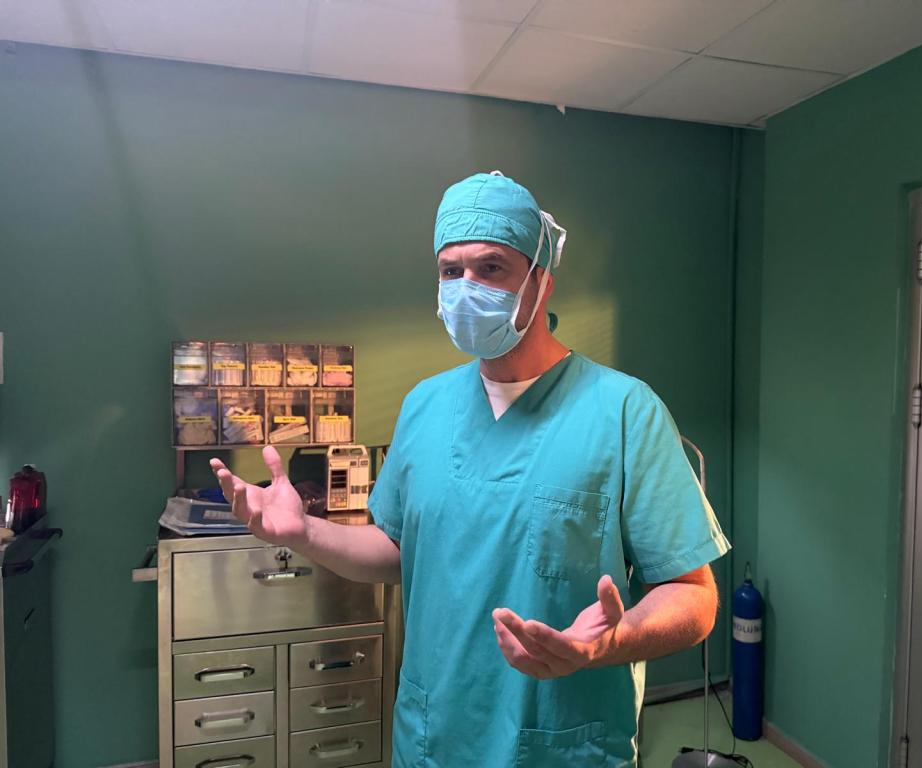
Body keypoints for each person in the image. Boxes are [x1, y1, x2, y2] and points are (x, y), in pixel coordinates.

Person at [211, 171, 731, 767]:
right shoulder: (425, 406)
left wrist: (613, 643)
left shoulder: (623, 411)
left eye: (491, 268)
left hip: (560, 744)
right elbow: (399, 550)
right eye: (450, 271)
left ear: (542, 280)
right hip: (434, 739)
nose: (466, 288)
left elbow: (693, 598)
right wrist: (304, 532)